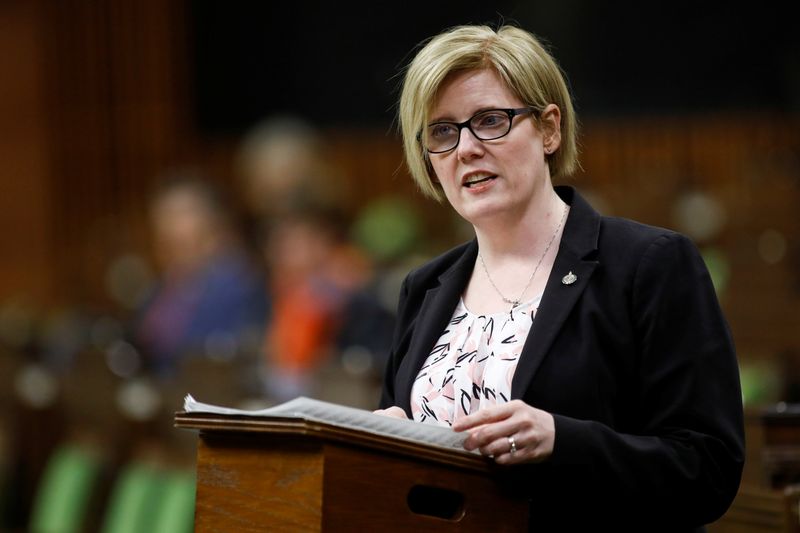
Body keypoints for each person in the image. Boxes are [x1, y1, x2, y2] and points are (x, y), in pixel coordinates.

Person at [375, 24, 744, 531]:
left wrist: (561, 441)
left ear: (549, 128)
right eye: (442, 131)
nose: (465, 148)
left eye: (490, 121)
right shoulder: (424, 287)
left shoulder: (649, 263)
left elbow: (709, 469)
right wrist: (380, 448)